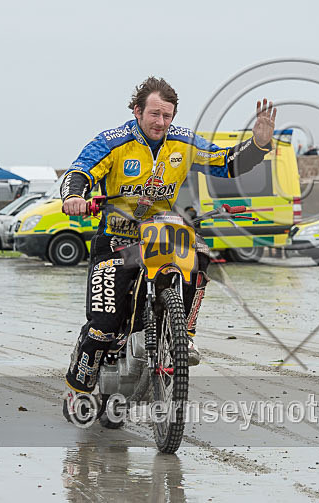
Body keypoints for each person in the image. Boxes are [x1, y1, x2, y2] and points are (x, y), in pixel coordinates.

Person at [60, 76, 276, 400]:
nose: (161, 122)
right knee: (104, 324)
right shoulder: (112, 141)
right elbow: (79, 173)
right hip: (117, 240)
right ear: (137, 111)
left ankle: (183, 333)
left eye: (167, 116)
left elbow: (226, 164)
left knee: (199, 250)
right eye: (155, 114)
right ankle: (80, 386)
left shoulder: (183, 142)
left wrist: (258, 144)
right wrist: (74, 197)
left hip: (160, 235)